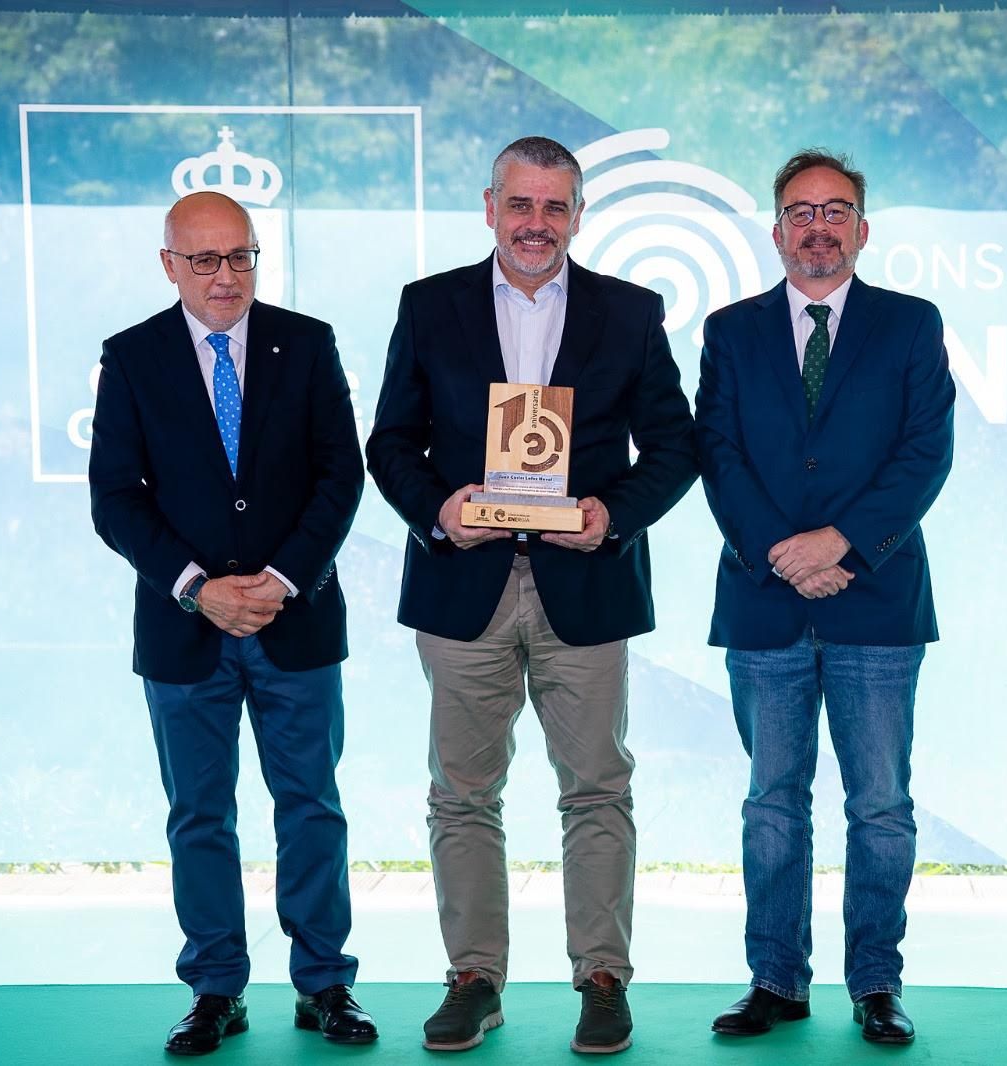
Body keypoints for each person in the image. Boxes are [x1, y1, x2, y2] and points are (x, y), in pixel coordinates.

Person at [366, 135, 697, 1055]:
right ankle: (475, 978)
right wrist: (440, 508)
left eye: (556, 208)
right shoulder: (428, 307)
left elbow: (674, 447)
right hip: (461, 579)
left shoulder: (629, 313)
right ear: (489, 207)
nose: (537, 225)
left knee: (596, 788)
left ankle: (602, 978)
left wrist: (609, 514)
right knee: (463, 793)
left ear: (579, 215)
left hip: (584, 581)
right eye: (522, 205)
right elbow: (389, 442)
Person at [90, 190, 375, 1055]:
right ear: (170, 265)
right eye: (206, 260)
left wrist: (282, 580)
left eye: (241, 256)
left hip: (296, 623)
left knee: (312, 808)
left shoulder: (309, 343)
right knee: (200, 815)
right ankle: (216, 990)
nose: (227, 277)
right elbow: (116, 500)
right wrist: (196, 589)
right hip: (184, 634)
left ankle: (325, 983)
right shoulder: (132, 358)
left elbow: (341, 478)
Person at [694, 149, 956, 1046]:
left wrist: (839, 543)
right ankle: (776, 980)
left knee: (879, 805)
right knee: (773, 801)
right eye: (800, 212)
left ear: (862, 228)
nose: (817, 226)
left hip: (874, 601)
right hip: (766, 601)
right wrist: (782, 551)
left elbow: (926, 454)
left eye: (835, 210)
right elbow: (717, 456)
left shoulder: (912, 325)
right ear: (776, 231)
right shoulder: (730, 331)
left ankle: (875, 984)